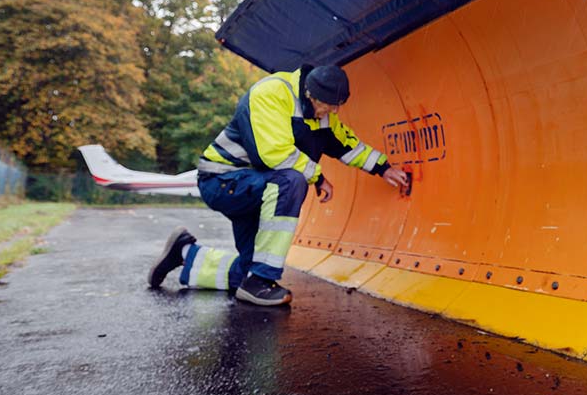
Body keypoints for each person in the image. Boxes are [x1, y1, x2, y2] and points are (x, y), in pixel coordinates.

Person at [146, 63, 408, 306]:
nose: (333, 112)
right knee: (292, 181)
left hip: (254, 184)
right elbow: (275, 155)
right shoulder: (271, 93)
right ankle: (261, 280)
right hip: (223, 179)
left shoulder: (320, 112)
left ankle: (184, 253)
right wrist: (318, 177)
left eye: (337, 106)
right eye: (329, 105)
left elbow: (346, 143)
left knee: (246, 271)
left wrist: (383, 168)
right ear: (309, 93)